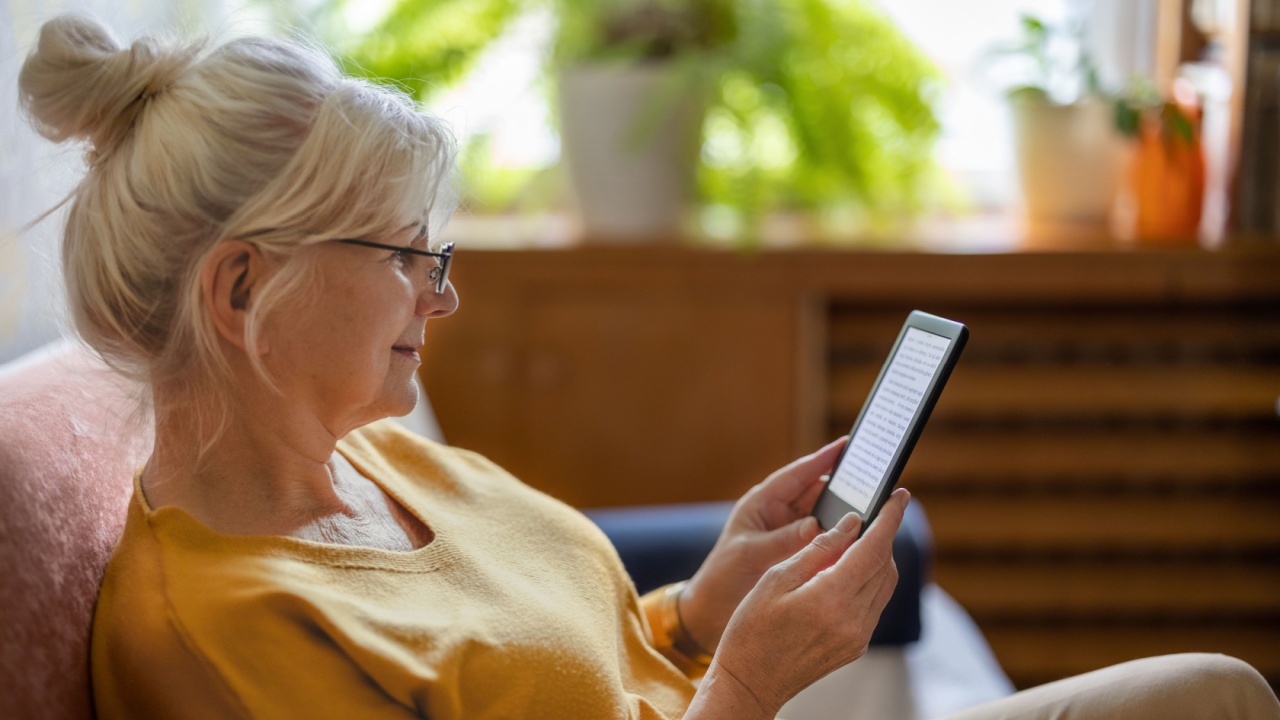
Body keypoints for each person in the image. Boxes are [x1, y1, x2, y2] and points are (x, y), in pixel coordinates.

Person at [18, 13, 1280, 720]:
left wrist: (701, 607)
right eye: (404, 253)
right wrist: (745, 684)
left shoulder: (377, 458)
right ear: (243, 288)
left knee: (1210, 696)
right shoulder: (218, 637)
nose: (440, 294)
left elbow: (561, 664)